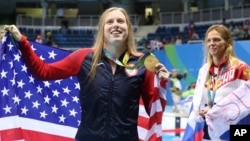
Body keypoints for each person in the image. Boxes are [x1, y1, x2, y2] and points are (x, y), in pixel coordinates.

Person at [5, 7, 170, 141]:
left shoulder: (142, 63)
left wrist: (162, 84)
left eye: (121, 21)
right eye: (109, 22)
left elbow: (154, 109)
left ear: (128, 28)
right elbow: (44, 72)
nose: (116, 25)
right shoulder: (83, 57)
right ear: (102, 30)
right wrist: (22, 42)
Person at [183, 24, 250, 141]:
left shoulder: (240, 68)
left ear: (227, 42)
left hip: (230, 132)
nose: (211, 43)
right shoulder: (204, 71)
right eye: (208, 40)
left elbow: (247, 104)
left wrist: (218, 112)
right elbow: (200, 101)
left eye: (216, 40)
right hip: (208, 130)